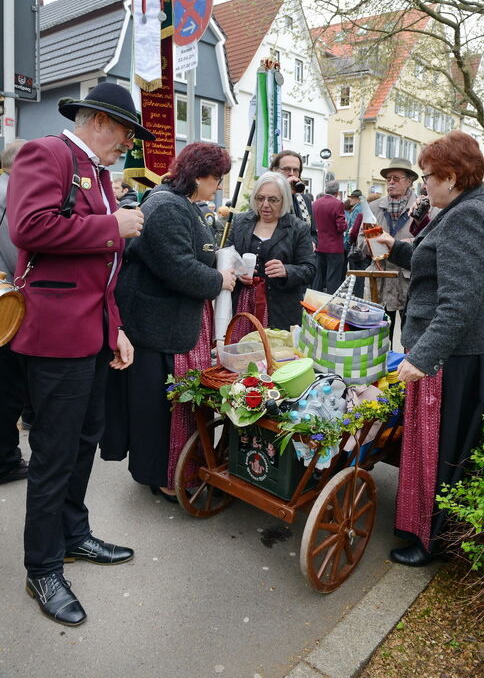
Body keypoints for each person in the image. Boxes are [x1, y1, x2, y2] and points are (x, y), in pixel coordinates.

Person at [7, 82, 150, 626]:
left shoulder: (98, 173)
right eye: (126, 135)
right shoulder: (48, 153)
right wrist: (111, 226)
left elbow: (102, 274)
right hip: (54, 336)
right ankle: (42, 567)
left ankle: (72, 535)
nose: (129, 146)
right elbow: (29, 227)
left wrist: (115, 329)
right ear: (99, 121)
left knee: (84, 442)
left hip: (90, 334)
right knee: (53, 454)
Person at [375, 132, 484, 566]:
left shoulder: (468, 216)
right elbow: (433, 260)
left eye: (428, 177)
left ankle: (433, 543)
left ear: (451, 178)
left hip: (462, 355)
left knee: (446, 450)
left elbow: (460, 302)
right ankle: (425, 528)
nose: (423, 185)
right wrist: (394, 249)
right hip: (459, 350)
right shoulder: (465, 208)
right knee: (440, 447)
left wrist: (421, 357)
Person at [101, 143, 235, 503]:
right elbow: (177, 267)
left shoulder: (180, 204)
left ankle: (164, 471)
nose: (218, 186)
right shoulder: (166, 207)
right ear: (197, 175)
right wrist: (218, 281)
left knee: (162, 408)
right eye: (216, 178)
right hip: (155, 327)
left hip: (166, 324)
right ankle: (160, 477)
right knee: (155, 411)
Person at [226, 170, 315, 333]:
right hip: (242, 306)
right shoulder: (241, 222)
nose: (265, 205)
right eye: (260, 198)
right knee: (242, 352)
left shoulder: (297, 228)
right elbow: (227, 256)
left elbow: (310, 270)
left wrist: (287, 270)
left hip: (281, 308)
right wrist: (238, 272)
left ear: (284, 201)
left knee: (275, 354)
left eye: (273, 200)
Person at [357, 158, 419, 337]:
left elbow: (430, 241)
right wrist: (373, 245)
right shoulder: (374, 207)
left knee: (411, 336)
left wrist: (407, 244)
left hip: (408, 281)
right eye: (388, 178)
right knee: (379, 336)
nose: (391, 182)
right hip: (379, 280)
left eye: (396, 178)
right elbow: (360, 241)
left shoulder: (423, 207)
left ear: (409, 181)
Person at [0, 140, 30, 484]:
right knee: (7, 390)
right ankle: (6, 460)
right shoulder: (10, 196)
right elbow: (17, 260)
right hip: (6, 307)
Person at [270, 150, 318, 246]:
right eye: (286, 169)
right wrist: (282, 191)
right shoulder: (265, 197)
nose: (291, 174)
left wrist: (312, 242)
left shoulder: (305, 200)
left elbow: (313, 233)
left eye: (295, 170)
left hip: (301, 257)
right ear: (275, 170)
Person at [312, 180, 347, 293]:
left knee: (318, 277)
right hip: (334, 247)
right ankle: (331, 304)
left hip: (320, 245)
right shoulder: (338, 204)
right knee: (333, 278)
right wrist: (346, 225)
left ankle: (313, 303)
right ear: (337, 192)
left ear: (325, 190)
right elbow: (341, 227)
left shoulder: (316, 203)